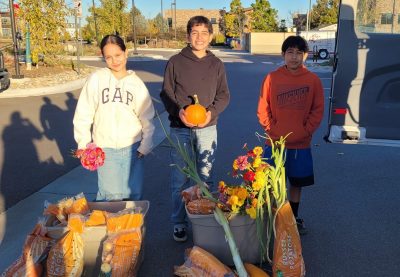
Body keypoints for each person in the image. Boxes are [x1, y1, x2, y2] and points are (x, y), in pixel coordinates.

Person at [160, 16, 230, 242]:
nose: (199, 37)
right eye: (194, 32)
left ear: (211, 36)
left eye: (204, 32)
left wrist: (211, 113)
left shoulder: (216, 64)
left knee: (205, 177)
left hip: (207, 128)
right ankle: (179, 222)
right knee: (179, 177)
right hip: (180, 127)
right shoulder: (175, 62)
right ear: (188, 36)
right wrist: (178, 110)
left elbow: (224, 95)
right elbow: (167, 93)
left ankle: (204, 218)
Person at [73, 34, 155, 201]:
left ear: (126, 53)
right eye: (108, 57)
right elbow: (83, 113)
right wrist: (83, 143)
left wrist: (145, 144)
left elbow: (146, 116)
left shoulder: (136, 84)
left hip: (133, 148)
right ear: (103, 57)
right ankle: (109, 227)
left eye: (118, 55)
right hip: (105, 149)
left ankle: (132, 227)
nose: (114, 61)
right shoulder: (97, 79)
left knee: (133, 196)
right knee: (110, 197)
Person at [257, 36, 324, 235]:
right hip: (275, 143)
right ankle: (272, 219)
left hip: (300, 145)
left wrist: (305, 131)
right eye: (290, 52)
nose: (294, 57)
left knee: (296, 183)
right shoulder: (272, 77)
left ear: (305, 55)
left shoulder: (313, 80)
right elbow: (263, 107)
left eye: (298, 53)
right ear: (283, 54)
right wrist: (271, 129)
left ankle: (292, 218)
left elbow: (317, 110)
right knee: (271, 184)